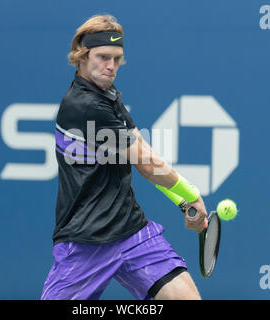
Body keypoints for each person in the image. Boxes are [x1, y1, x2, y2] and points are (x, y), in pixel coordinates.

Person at [41, 14, 208, 300]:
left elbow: (142, 150)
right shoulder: (84, 106)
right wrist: (191, 194)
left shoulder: (108, 96)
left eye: (117, 59)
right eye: (103, 57)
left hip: (131, 231)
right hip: (87, 241)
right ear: (82, 56)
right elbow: (146, 164)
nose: (111, 66)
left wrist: (180, 202)